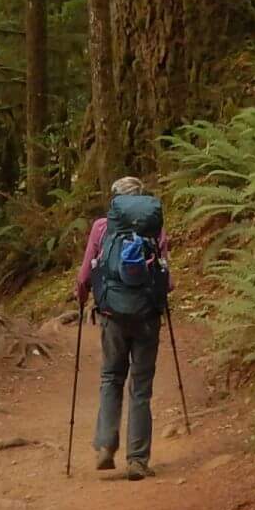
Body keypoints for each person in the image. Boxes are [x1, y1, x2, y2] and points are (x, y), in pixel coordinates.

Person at [76, 175, 170, 480]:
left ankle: (106, 444)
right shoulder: (155, 230)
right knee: (140, 387)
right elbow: (166, 279)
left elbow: (85, 274)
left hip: (111, 314)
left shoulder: (102, 227)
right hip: (146, 316)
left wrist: (81, 297)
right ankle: (137, 460)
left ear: (114, 201)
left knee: (111, 377)